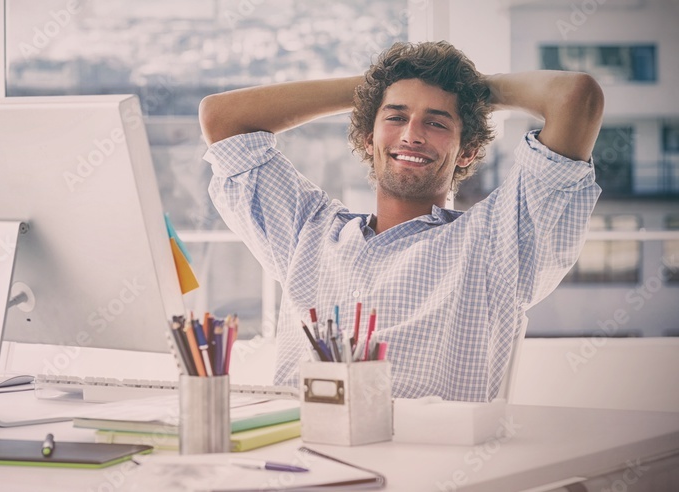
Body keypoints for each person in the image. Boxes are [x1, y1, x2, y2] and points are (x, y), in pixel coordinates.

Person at [198, 41, 604, 401]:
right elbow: (222, 118)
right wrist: (380, 84)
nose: (412, 134)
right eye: (395, 117)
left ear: (467, 152)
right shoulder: (309, 232)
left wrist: (477, 90)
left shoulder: (496, 243)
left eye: (436, 122)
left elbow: (575, 97)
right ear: (366, 138)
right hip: (298, 464)